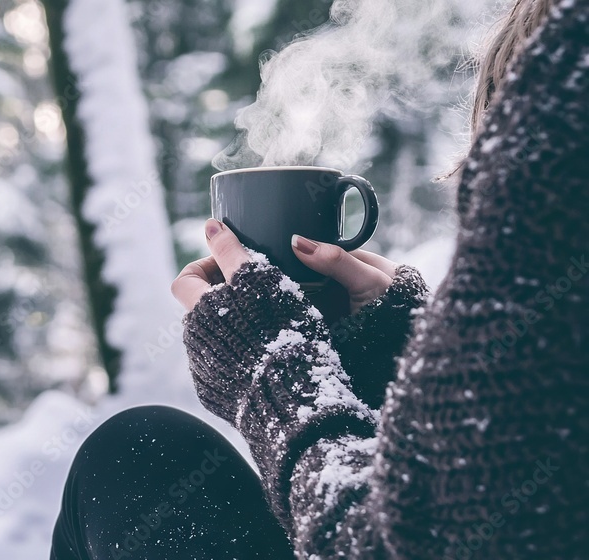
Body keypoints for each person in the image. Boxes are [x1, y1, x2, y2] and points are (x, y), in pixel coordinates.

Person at [49, 0, 588, 557]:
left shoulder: (565, 102)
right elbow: (493, 469)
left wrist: (270, 374)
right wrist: (406, 353)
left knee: (127, 458)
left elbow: (388, 545)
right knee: (139, 452)